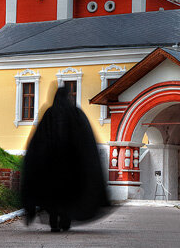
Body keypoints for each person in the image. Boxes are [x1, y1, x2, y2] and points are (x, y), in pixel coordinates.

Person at [19, 86, 112, 231]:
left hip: (51, 169)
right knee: (68, 197)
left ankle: (53, 223)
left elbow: (38, 142)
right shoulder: (76, 114)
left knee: (53, 198)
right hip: (71, 169)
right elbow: (86, 141)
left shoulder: (49, 114)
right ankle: (65, 221)